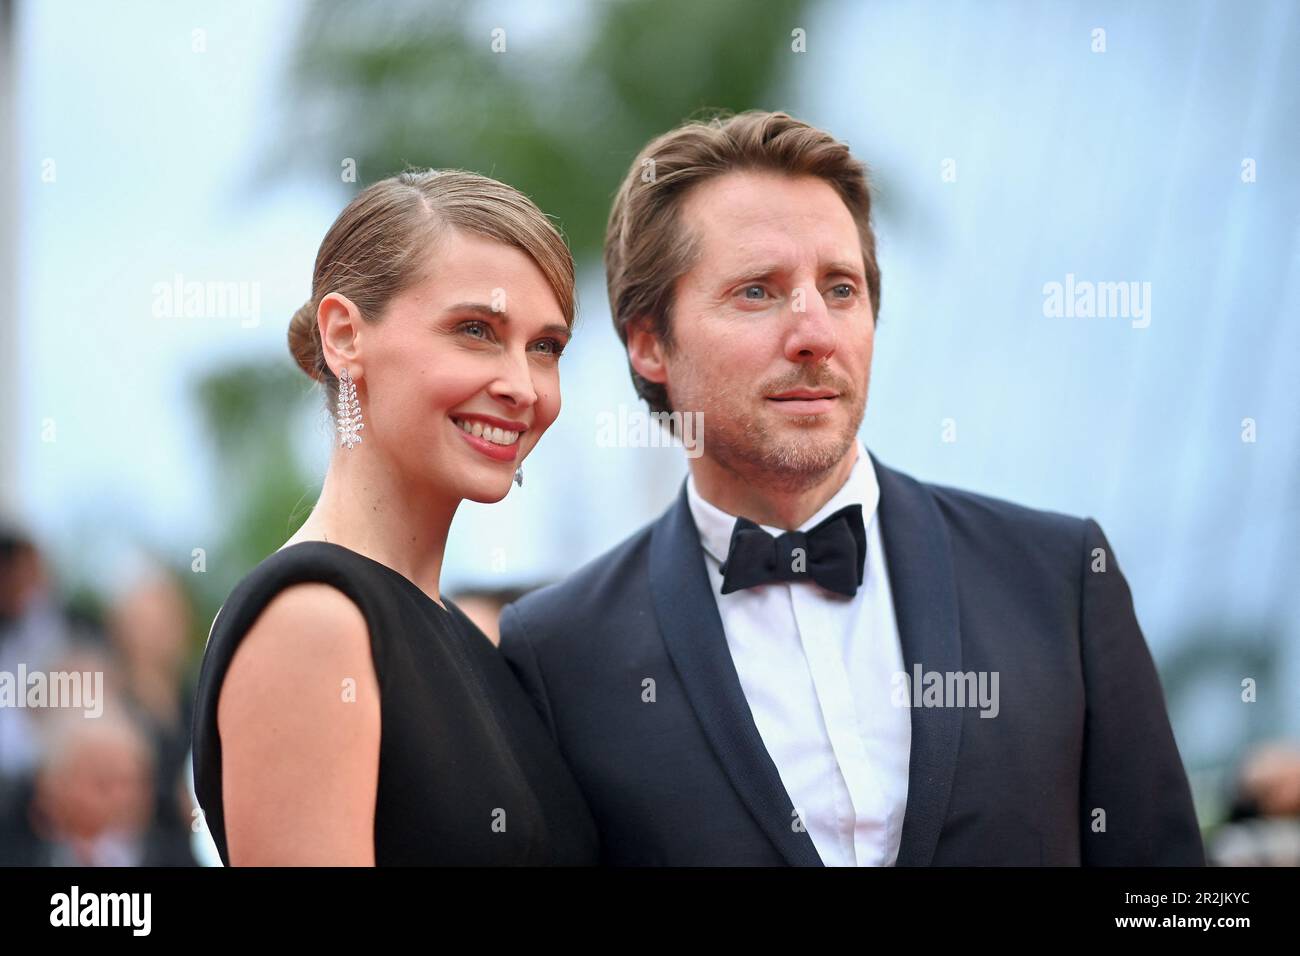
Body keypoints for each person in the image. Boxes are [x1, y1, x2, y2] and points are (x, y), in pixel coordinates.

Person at [498, 110, 1205, 866]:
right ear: (648, 343)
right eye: (757, 293)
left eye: (840, 289)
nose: (815, 334)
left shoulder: (1062, 579)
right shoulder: (558, 653)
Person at [191, 169, 598, 866]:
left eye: (545, 347)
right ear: (345, 336)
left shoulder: (462, 637)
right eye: (475, 330)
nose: (522, 386)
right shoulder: (314, 620)